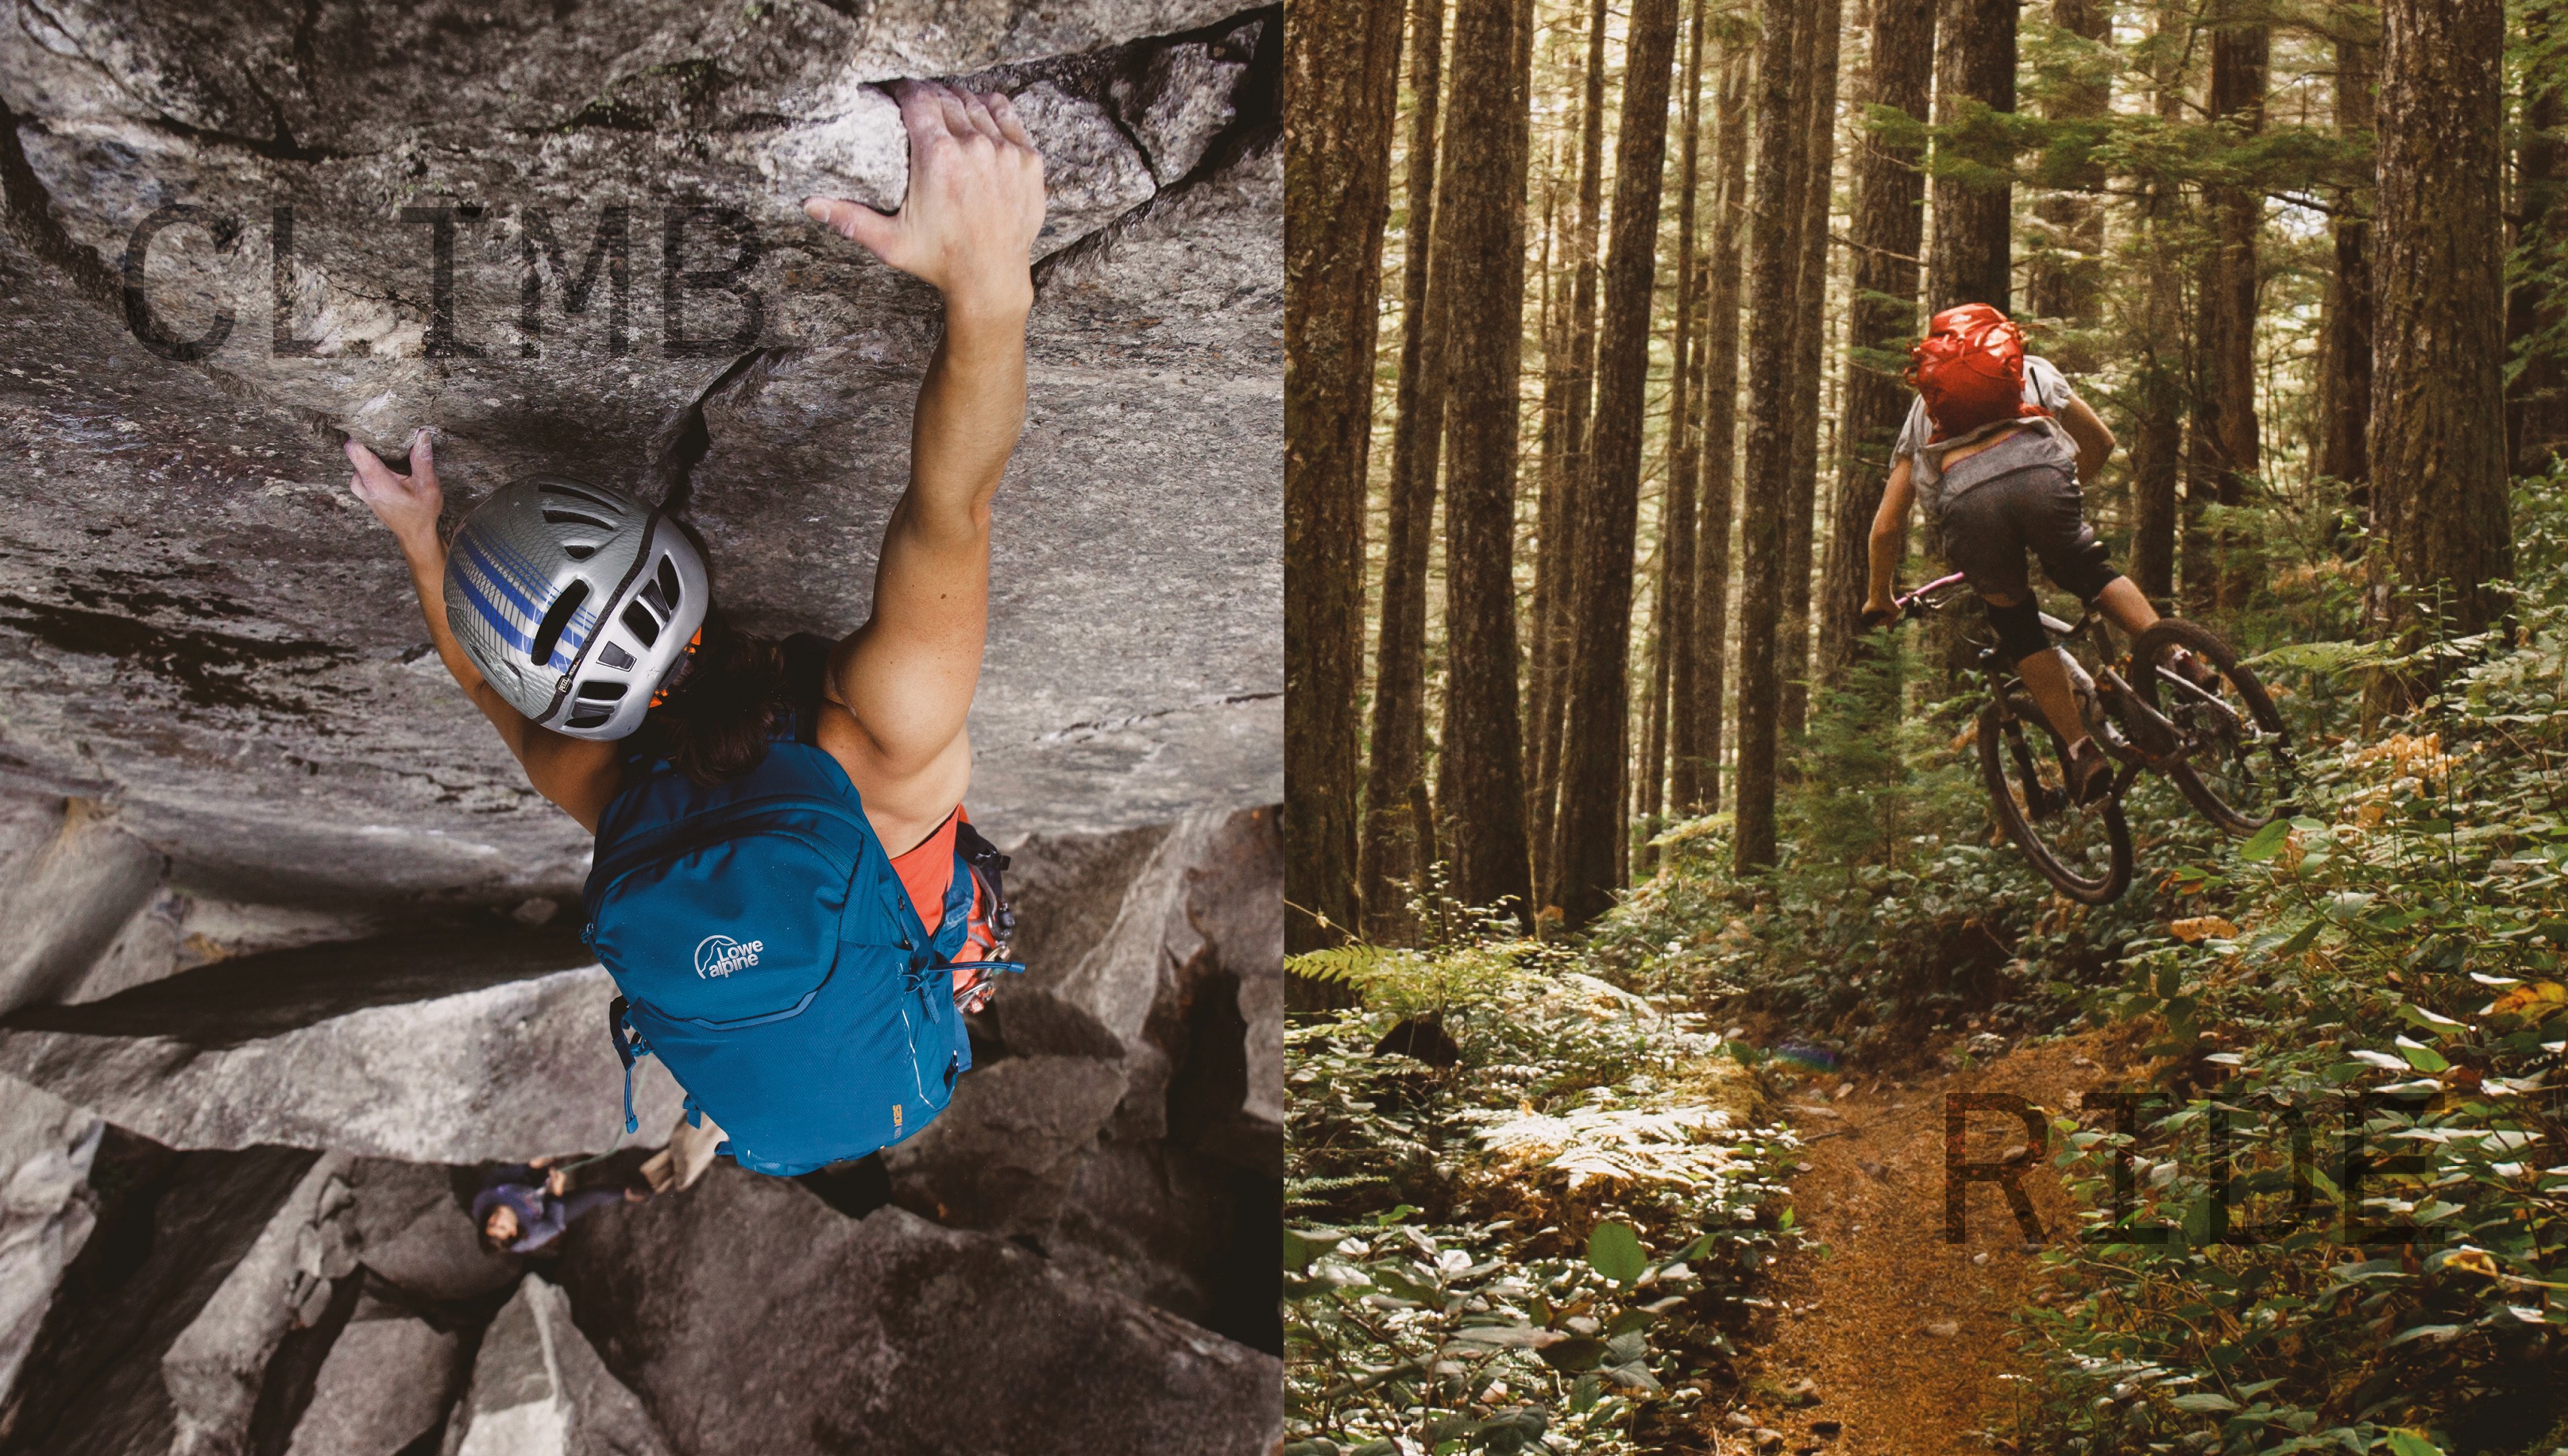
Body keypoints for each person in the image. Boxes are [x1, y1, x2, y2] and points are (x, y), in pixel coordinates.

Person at [342, 77, 1040, 990]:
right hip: (918, 951)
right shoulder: (874, 742)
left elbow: (484, 678)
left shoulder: (624, 788)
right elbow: (950, 507)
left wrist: (419, 540)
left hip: (850, 959)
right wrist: (990, 281)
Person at [1860, 304, 2171, 804]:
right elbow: (2102, 441)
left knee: (2019, 626)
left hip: (1970, 506)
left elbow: (1886, 527)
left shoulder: (1925, 409)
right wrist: (2061, 502)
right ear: (2001, 339)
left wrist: (1880, 596)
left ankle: (2079, 751)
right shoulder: (2031, 370)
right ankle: (2179, 656)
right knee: (2090, 570)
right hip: (2045, 481)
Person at [474, 1154, 647, 1255]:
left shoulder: (486, 1200)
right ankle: (625, 1193)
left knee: (543, 1158)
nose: (497, 1219)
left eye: (491, 1224)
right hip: (546, 1211)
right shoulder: (531, 1237)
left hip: (524, 1186)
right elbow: (554, 1225)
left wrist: (528, 1166)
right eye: (502, 1227)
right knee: (594, 1195)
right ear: (513, 1230)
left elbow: (498, 1176)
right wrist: (557, 1194)